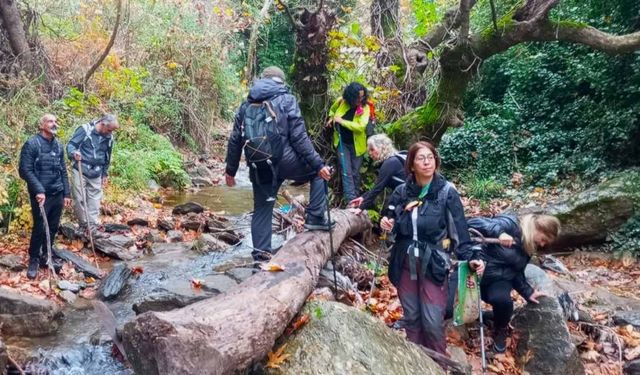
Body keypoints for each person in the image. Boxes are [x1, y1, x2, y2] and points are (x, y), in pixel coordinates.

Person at [380, 141, 484, 355]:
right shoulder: (401, 191)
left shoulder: (446, 193)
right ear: (411, 165)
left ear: (436, 161)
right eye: (421, 158)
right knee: (411, 316)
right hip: (405, 260)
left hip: (434, 262)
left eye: (430, 157)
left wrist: (473, 256)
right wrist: (385, 222)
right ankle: (417, 361)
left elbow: (460, 231)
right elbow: (388, 218)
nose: (427, 162)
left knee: (432, 319)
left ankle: (437, 363)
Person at [225, 66, 333, 262]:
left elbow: (235, 140)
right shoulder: (287, 100)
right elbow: (300, 138)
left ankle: (261, 255)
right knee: (319, 173)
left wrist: (230, 171)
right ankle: (316, 217)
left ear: (262, 79)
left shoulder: (245, 105)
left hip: (260, 165)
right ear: (281, 82)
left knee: (262, 208)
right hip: (286, 160)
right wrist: (318, 165)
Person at [467, 214, 559, 352]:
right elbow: (473, 222)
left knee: (504, 301)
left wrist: (528, 292)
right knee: (449, 309)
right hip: (473, 270)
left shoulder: (528, 246)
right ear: (538, 228)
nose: (542, 244)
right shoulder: (511, 224)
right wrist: (500, 233)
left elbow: (516, 272)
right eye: (543, 239)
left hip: (498, 280)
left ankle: (500, 328)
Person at [18, 114, 72, 280]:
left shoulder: (58, 145)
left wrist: (67, 193)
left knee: (54, 226)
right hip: (41, 195)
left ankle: (46, 256)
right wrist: (39, 190)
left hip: (57, 193)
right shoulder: (32, 144)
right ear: (41, 125)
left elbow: (63, 170)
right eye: (50, 121)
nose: (54, 124)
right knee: (40, 227)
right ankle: (33, 259)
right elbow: (24, 170)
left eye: (56, 121)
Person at [66, 114, 119, 237]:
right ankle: (84, 224)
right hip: (80, 169)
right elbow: (70, 145)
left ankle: (93, 226)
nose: (110, 133)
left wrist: (105, 173)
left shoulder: (109, 137)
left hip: (97, 171)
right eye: (109, 130)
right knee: (79, 198)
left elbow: (107, 156)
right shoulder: (85, 130)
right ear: (102, 123)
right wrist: (74, 153)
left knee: (94, 200)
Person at [327, 82, 370, 202]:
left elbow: (360, 126)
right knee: (346, 171)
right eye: (358, 97)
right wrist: (331, 118)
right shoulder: (341, 102)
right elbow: (332, 110)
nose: (360, 99)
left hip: (357, 145)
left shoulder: (365, 108)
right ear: (350, 96)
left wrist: (341, 121)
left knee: (356, 172)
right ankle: (350, 200)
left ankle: (356, 198)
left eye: (362, 96)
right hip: (342, 143)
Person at [348, 134, 406, 211]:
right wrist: (363, 197)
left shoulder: (390, 163)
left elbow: (378, 188)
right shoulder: (393, 160)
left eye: (372, 149)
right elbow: (377, 186)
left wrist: (360, 208)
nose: (370, 153)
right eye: (369, 151)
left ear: (382, 147)